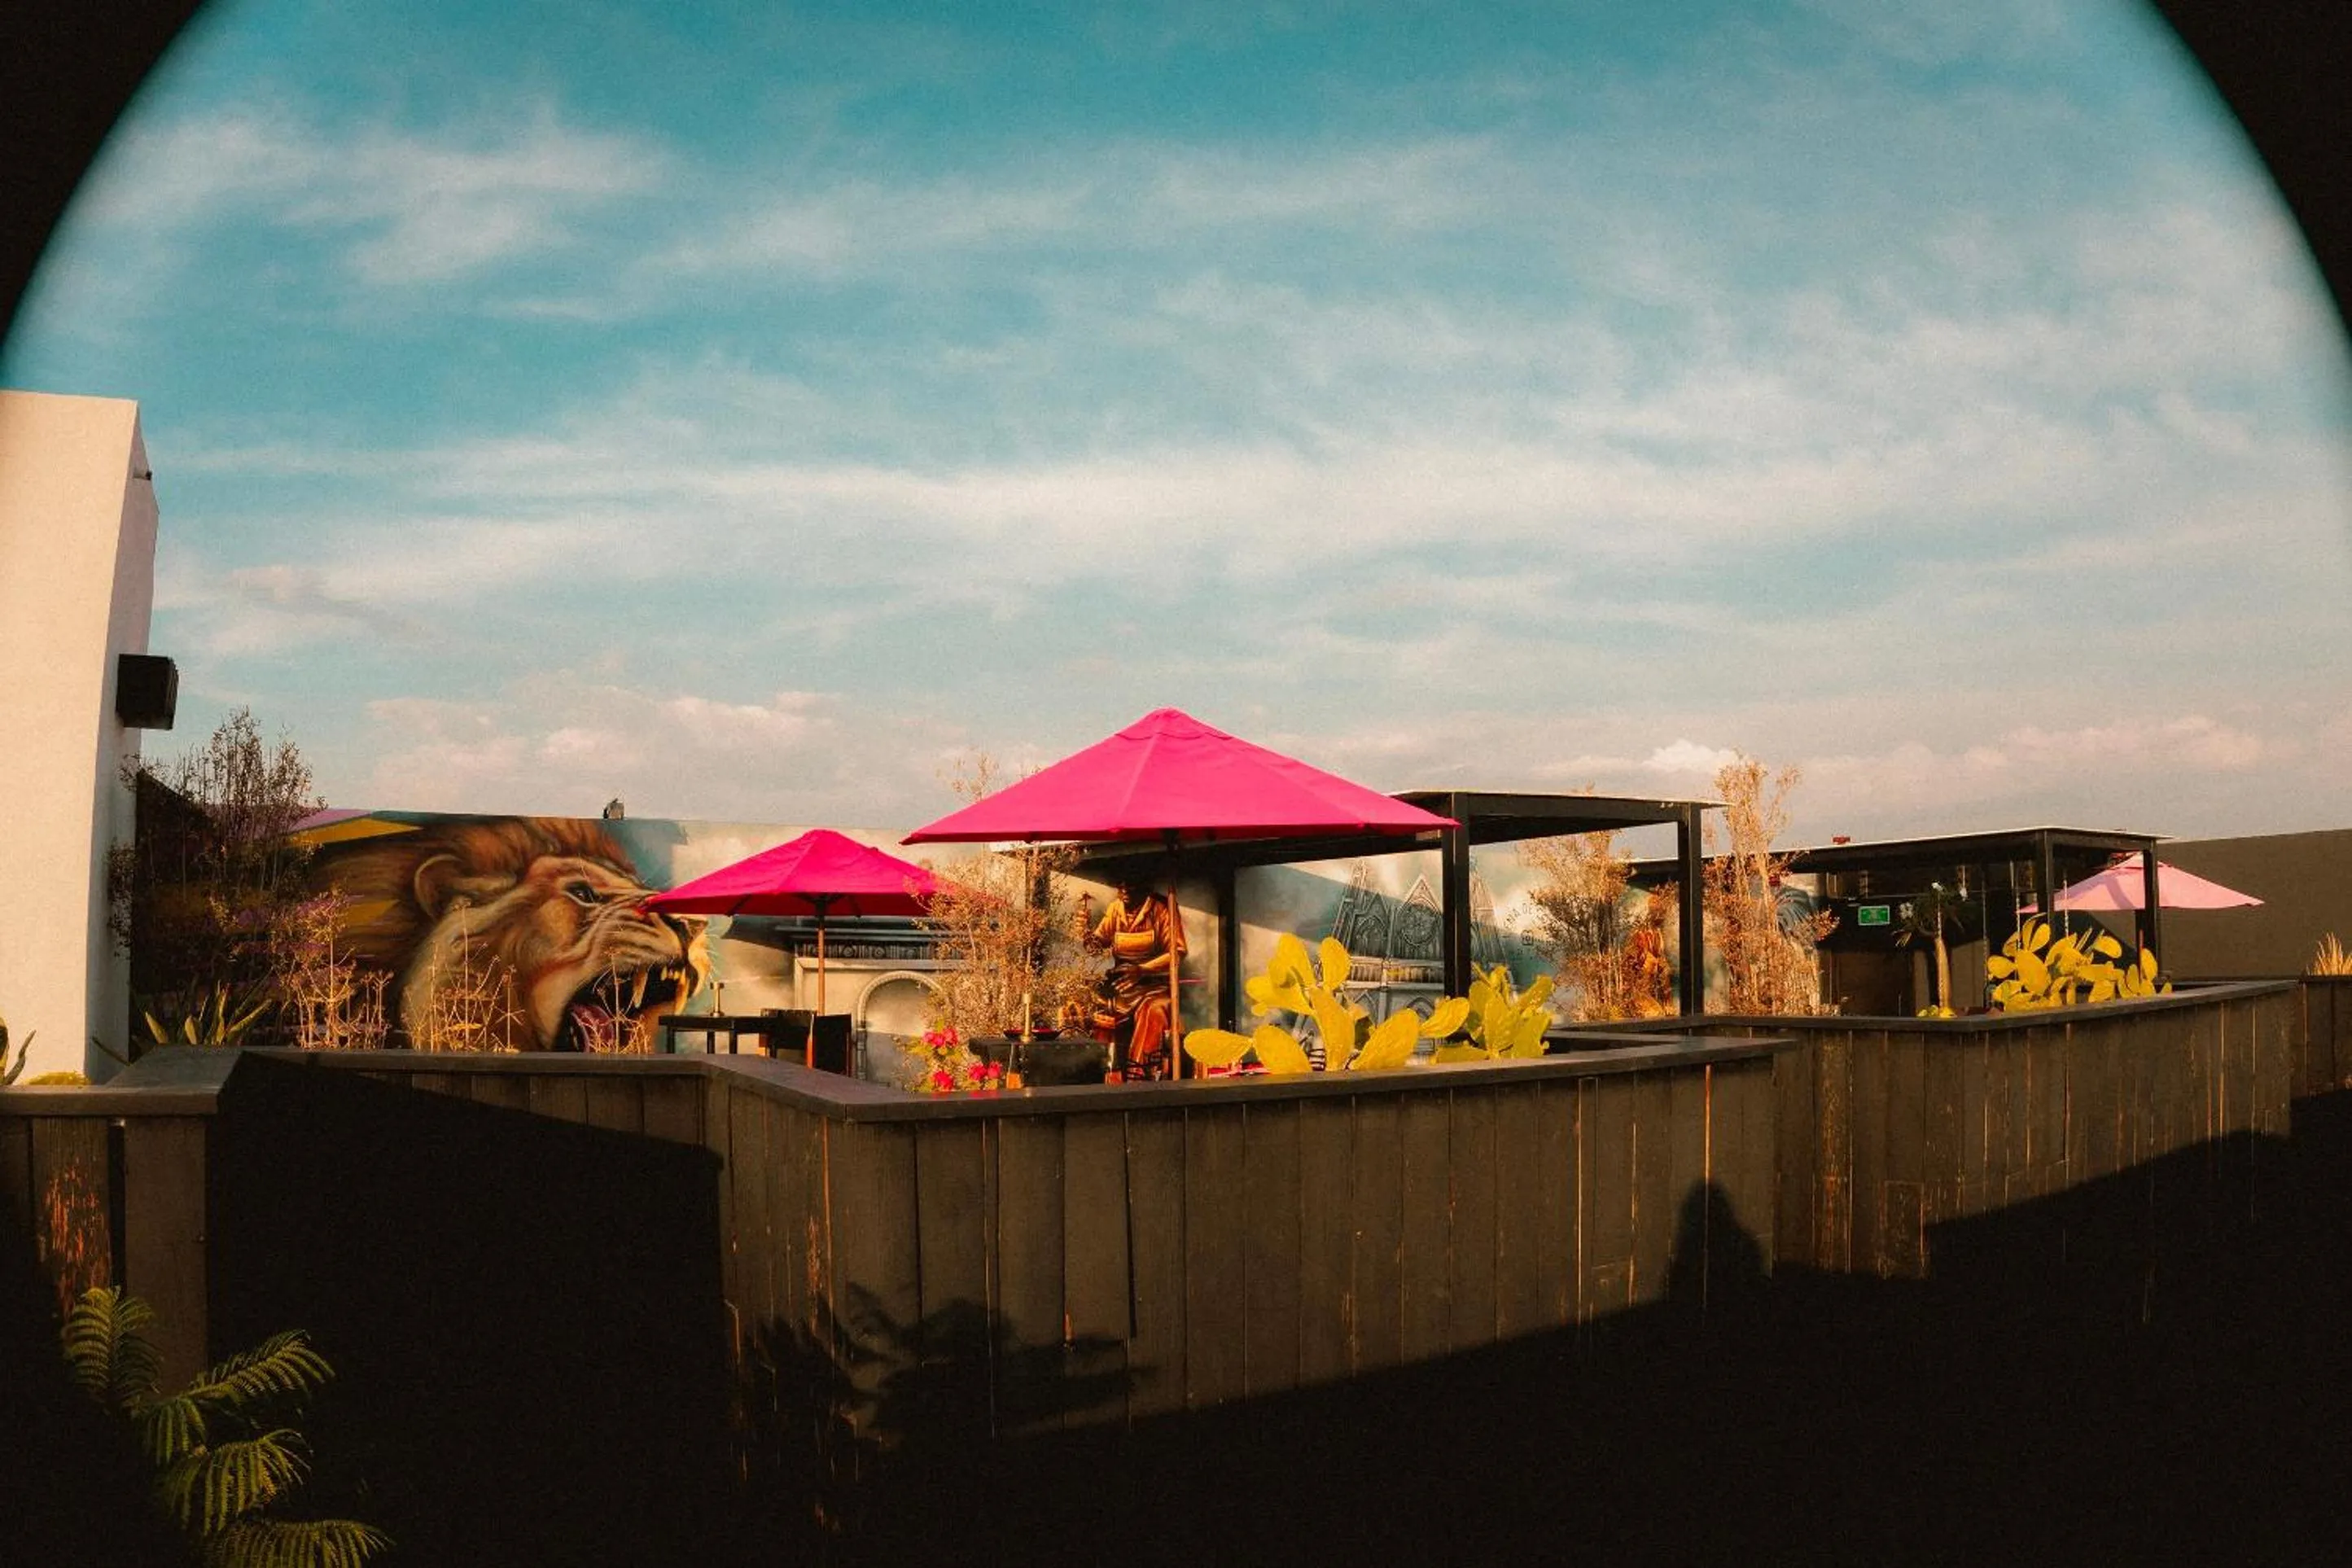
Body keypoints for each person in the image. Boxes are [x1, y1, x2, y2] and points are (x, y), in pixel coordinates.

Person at [1079, 876, 1186, 1080]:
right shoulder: (1115, 908)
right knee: (1093, 1011)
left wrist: (1142, 970)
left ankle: (1140, 1076)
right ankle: (1102, 1075)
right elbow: (1097, 946)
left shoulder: (1162, 908)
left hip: (1154, 987)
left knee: (1154, 1011)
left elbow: (1177, 952)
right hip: (1121, 989)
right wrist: (1086, 933)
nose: (1125, 891)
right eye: (1121, 886)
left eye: (1130, 885)